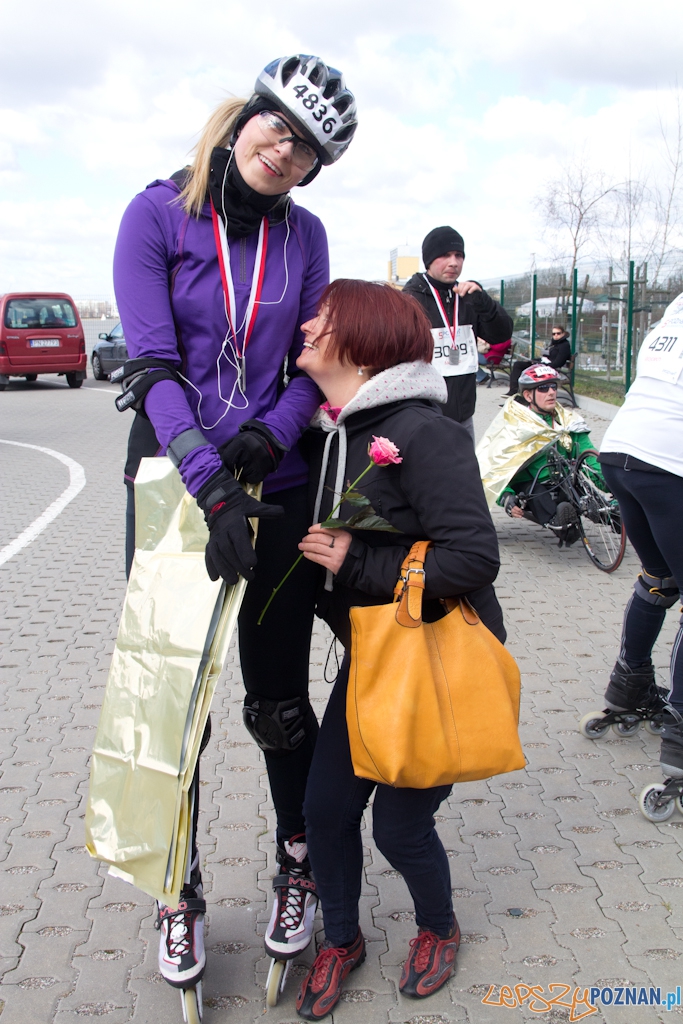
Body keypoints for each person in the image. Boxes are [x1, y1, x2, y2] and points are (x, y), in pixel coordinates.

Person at [112, 55, 358, 993]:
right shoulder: (155, 215)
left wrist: (265, 441)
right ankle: (178, 886)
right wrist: (213, 483)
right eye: (278, 127)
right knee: (172, 705)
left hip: (277, 480)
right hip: (177, 485)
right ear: (247, 114)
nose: (283, 152)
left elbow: (309, 368)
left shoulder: (308, 237)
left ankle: (296, 862)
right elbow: (152, 365)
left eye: (304, 152)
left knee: (277, 699)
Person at [291, 279, 505, 1019]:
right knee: (323, 810)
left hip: (434, 654)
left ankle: (437, 927)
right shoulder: (335, 432)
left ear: (365, 337)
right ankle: (341, 940)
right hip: (373, 656)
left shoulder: (420, 431)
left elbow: (473, 557)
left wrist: (356, 564)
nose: (307, 326)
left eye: (322, 318)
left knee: (399, 825)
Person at [597, 291, 683, 773]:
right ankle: (681, 735)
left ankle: (629, 685)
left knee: (658, 576)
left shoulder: (674, 311)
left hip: (621, 452)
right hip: (670, 462)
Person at [403, 226, 513, 441]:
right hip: (423, 415)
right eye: (445, 255)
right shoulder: (409, 299)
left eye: (459, 255)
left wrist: (484, 304)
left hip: (463, 415)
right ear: (429, 260)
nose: (453, 262)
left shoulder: (470, 295)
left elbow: (501, 335)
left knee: (464, 474)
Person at [477, 365, 603, 544]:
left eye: (554, 387)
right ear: (528, 396)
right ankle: (560, 523)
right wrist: (506, 496)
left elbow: (588, 456)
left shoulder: (567, 422)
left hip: (563, 479)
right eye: (543, 388)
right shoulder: (515, 427)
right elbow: (493, 469)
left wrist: (612, 484)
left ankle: (616, 516)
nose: (551, 392)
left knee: (584, 496)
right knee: (535, 491)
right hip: (528, 484)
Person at [505, 325, 571, 396]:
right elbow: (547, 357)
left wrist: (542, 364)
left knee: (524, 370)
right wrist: (535, 361)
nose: (556, 335)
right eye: (554, 334)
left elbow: (558, 363)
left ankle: (519, 394)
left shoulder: (564, 345)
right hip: (543, 366)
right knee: (518, 365)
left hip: (551, 370)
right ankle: (514, 392)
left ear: (563, 333)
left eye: (558, 333)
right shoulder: (554, 344)